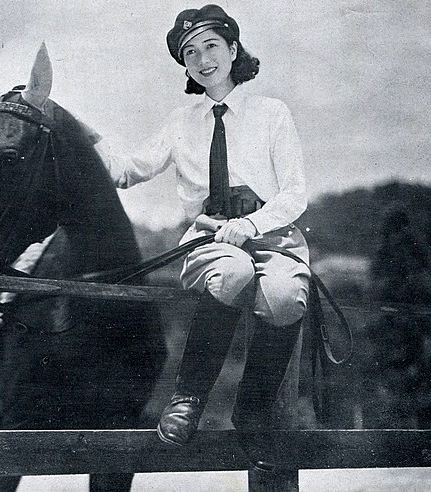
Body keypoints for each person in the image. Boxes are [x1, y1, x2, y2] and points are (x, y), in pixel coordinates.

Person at [96, 4, 311, 446]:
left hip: (273, 235)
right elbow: (127, 170)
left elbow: (294, 193)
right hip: (212, 238)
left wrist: (252, 224)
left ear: (233, 50)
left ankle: (253, 409)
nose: (202, 59)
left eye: (211, 46)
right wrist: (83, 136)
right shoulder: (181, 122)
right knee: (233, 272)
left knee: (286, 296)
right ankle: (187, 398)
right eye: (189, 53)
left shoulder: (272, 113)